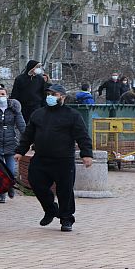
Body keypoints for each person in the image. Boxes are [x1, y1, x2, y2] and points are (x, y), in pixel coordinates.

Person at [15, 84, 93, 232]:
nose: (50, 96)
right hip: (41, 158)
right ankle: (50, 209)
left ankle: (66, 219)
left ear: (62, 97)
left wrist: (87, 154)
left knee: (65, 190)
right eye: (48, 93)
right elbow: (28, 135)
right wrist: (20, 151)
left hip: (63, 159)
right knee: (36, 183)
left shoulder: (72, 115)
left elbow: (82, 136)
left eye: (54, 94)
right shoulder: (38, 114)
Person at [0, 86, 26, 203]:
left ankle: (10, 186)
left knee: (11, 170)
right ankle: (1, 193)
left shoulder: (14, 109)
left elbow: (21, 125)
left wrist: (27, 139)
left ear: (7, 95)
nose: (1, 97)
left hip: (11, 142)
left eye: (3, 94)